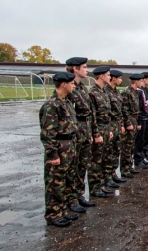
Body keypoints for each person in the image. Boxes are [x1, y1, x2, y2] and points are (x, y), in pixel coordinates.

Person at [40, 72, 78, 227]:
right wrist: (53, 154)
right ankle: (53, 214)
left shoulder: (66, 102)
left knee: (66, 180)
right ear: (64, 84)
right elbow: (48, 133)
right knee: (55, 182)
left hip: (69, 145)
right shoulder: (52, 105)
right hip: (59, 147)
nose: (74, 85)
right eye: (72, 83)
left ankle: (63, 210)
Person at [65, 57, 95, 210]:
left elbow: (89, 112)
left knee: (82, 166)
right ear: (75, 69)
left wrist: (91, 132)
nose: (87, 70)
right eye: (84, 67)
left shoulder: (82, 88)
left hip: (85, 131)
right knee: (72, 168)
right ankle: (71, 200)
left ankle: (79, 195)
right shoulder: (68, 88)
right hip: (74, 133)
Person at [88, 66, 113, 198]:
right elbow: (92, 116)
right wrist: (96, 134)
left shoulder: (104, 92)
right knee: (95, 160)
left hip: (106, 128)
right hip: (98, 128)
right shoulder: (92, 93)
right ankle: (95, 187)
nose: (110, 77)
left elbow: (107, 114)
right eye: (108, 75)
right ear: (102, 76)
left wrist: (108, 130)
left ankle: (102, 184)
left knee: (104, 158)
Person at [104, 69, 127, 185]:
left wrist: (122, 124)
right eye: (119, 78)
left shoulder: (117, 92)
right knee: (108, 152)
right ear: (113, 78)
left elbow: (120, 110)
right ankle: (107, 176)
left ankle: (113, 174)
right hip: (110, 125)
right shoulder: (105, 92)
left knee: (116, 150)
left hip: (117, 125)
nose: (121, 80)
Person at [121, 73, 143, 178]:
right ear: (135, 81)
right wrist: (128, 123)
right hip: (129, 121)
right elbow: (124, 109)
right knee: (126, 147)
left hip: (134, 120)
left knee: (131, 146)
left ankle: (129, 167)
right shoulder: (127, 92)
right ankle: (124, 170)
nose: (141, 82)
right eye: (140, 81)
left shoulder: (134, 92)